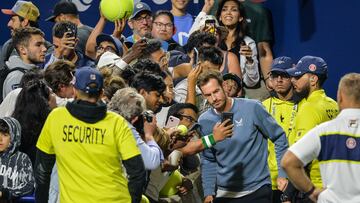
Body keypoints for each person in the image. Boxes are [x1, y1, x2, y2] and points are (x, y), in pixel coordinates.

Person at [35, 66, 146, 203]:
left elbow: (42, 170)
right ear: (101, 94)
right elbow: (137, 171)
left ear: (75, 90)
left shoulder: (56, 118)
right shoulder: (117, 123)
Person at [197, 70, 288, 203]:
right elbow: (208, 159)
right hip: (224, 193)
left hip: (257, 189)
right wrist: (209, 192)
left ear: (224, 86)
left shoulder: (252, 108)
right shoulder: (204, 121)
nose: (213, 98)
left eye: (216, 92)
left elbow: (279, 137)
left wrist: (282, 174)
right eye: (208, 95)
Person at [281, 73, 360, 203]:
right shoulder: (329, 108)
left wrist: (311, 191)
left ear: (340, 96)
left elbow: (288, 162)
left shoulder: (324, 130)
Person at [283, 56, 339, 202]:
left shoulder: (309, 108)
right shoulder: (333, 104)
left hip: (313, 189)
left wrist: (288, 193)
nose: (293, 81)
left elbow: (301, 157)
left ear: (313, 80)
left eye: (299, 76)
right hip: (335, 185)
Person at [262, 56, 296, 203]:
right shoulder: (262, 107)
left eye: (284, 75)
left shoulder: (305, 105)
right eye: (275, 76)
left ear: (293, 78)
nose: (279, 80)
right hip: (270, 181)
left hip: (298, 178)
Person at [109, 87, 163, 170]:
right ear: (135, 118)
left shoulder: (98, 118)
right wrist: (149, 135)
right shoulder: (124, 128)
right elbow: (151, 162)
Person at [215, 0, 260, 92]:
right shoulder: (212, 41)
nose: (228, 12)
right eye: (224, 9)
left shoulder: (248, 43)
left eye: (234, 10)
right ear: (220, 17)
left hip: (238, 91)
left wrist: (250, 61)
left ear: (240, 18)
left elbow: (252, 82)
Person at [12, 79, 56, 165]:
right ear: (45, 102)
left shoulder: (15, 127)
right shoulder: (47, 130)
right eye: (52, 93)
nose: (55, 96)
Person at [0, 1, 51, 68]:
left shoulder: (50, 52)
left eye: (13, 20)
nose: (9, 24)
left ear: (25, 22)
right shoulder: (8, 46)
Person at [2, 27, 47, 99]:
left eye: (44, 44)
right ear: (22, 50)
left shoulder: (34, 72)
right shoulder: (17, 77)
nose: (44, 49)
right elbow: (17, 109)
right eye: (38, 45)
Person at [0, 117, 34, 202]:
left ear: (14, 136)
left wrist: (5, 193)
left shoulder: (22, 159)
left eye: (5, 135)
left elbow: (28, 186)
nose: (0, 139)